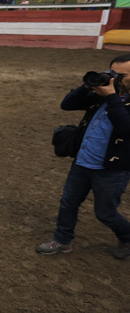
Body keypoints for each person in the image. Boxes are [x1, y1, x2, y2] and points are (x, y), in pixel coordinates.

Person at [37, 53, 130, 261]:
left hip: (112, 170)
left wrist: (112, 97)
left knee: (105, 213)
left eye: (120, 74)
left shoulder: (112, 97)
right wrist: (88, 85)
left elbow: (125, 128)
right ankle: (62, 241)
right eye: (111, 72)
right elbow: (66, 104)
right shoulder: (102, 94)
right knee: (68, 203)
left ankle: (127, 236)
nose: (114, 78)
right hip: (83, 161)